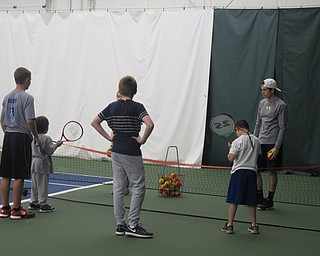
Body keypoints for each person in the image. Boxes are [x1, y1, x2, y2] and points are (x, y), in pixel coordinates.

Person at [91, 75, 154, 238]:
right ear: (135, 91)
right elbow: (150, 124)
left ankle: (120, 224)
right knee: (138, 186)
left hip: (116, 150)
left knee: (118, 187)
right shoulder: (138, 107)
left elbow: (95, 122)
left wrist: (109, 137)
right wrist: (142, 139)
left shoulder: (111, 107)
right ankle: (132, 225)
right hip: (131, 151)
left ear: (120, 91)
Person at [0, 67, 41, 220]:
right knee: (19, 174)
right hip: (21, 137)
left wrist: (8, 132)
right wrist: (35, 136)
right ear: (26, 80)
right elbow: (30, 120)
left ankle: (4, 208)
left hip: (8, 137)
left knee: (5, 174)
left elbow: (2, 121)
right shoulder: (28, 98)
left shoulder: (6, 97)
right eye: (30, 79)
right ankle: (16, 209)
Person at [253, 78, 288, 211]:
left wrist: (277, 147)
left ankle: (270, 200)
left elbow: (282, 128)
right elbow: (258, 123)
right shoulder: (261, 103)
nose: (262, 92)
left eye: (265, 90)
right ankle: (259, 197)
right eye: (262, 90)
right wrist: (254, 140)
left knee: (271, 172)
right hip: (260, 142)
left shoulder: (281, 105)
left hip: (273, 144)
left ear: (272, 90)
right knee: (256, 169)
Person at [222, 120, 261, 235]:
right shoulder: (257, 140)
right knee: (251, 201)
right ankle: (254, 226)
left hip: (238, 173)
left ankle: (230, 225)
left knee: (234, 200)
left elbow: (230, 158)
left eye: (235, 130)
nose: (235, 133)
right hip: (252, 173)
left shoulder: (237, 142)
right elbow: (256, 154)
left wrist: (231, 147)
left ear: (239, 128)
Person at [28, 116, 63, 213]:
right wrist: (57, 145)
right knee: (42, 184)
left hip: (34, 162)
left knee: (34, 183)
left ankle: (33, 202)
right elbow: (50, 151)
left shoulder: (33, 137)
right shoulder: (47, 138)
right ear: (46, 127)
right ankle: (43, 204)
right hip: (42, 163)